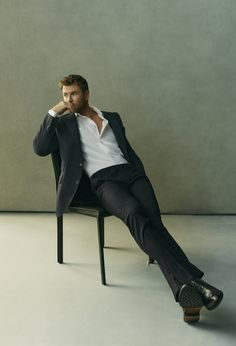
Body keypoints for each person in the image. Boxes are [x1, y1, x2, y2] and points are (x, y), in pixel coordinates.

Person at [33, 74, 223, 323]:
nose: (69, 99)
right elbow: (39, 148)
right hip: (104, 181)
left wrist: (140, 173)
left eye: (74, 93)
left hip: (131, 175)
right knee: (134, 213)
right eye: (65, 95)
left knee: (153, 221)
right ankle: (192, 282)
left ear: (87, 93)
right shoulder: (64, 123)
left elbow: (127, 149)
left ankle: (189, 293)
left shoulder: (112, 117)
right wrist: (54, 111)